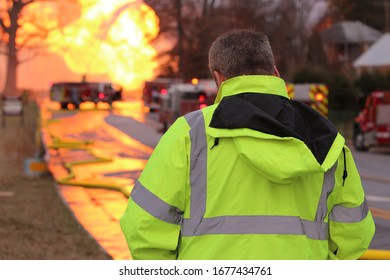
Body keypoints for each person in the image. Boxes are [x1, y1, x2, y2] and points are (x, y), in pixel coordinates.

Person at [120, 29, 375, 260]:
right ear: (275, 73)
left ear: (218, 79)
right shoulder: (326, 139)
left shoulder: (190, 133)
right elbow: (354, 236)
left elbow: (144, 228)